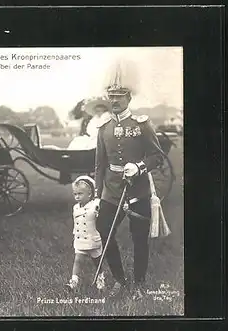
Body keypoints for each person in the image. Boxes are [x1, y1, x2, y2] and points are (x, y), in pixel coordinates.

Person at [94, 73, 163, 299]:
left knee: (139, 237)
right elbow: (99, 164)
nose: (114, 101)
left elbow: (156, 156)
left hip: (138, 190)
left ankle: (140, 284)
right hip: (111, 191)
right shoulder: (103, 127)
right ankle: (120, 280)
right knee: (104, 230)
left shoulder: (142, 124)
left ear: (129, 98)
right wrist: (97, 194)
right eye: (111, 96)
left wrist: (139, 166)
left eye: (119, 96)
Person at [65, 176, 106, 291]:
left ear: (89, 194)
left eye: (80, 194)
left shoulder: (95, 205)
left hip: (93, 239)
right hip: (80, 239)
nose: (77, 197)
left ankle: (100, 277)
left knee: (97, 261)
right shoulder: (75, 208)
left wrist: (100, 209)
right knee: (78, 260)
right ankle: (74, 281)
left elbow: (101, 213)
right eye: (75, 194)